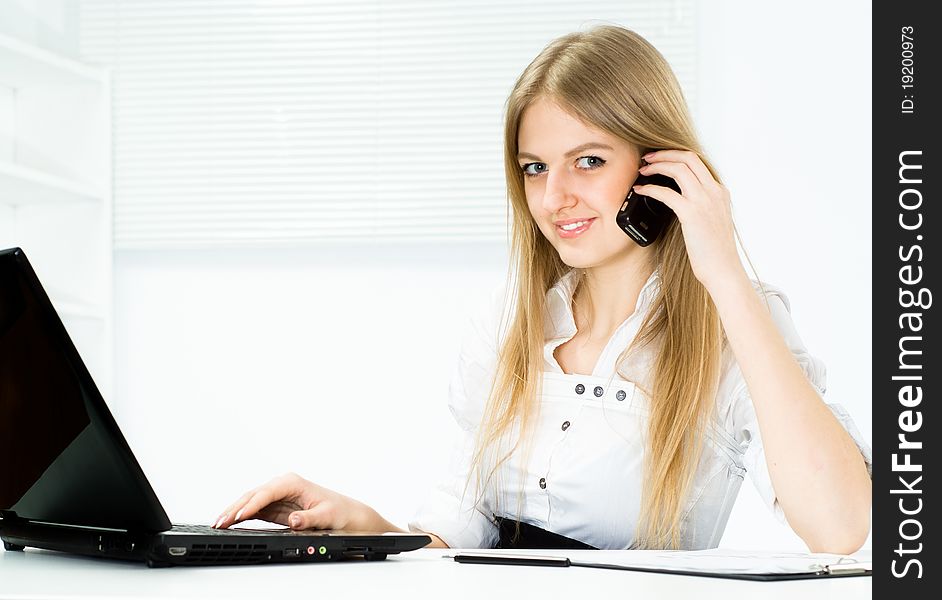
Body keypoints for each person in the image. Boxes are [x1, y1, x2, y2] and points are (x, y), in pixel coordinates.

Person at [213, 25, 872, 552]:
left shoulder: (729, 328)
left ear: (660, 167)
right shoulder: (510, 323)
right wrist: (356, 522)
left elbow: (844, 529)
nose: (556, 198)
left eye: (589, 160)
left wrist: (724, 274)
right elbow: (455, 537)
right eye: (535, 168)